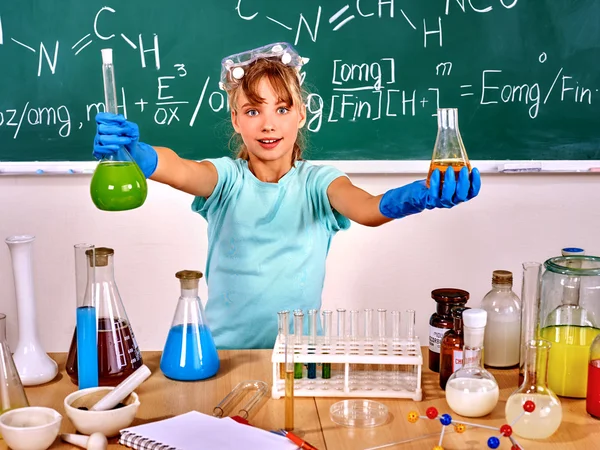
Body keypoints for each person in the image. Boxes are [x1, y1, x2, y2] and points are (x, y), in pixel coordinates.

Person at [93, 42, 481, 349]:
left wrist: (414, 197)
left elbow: (365, 208)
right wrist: (139, 154)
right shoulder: (227, 181)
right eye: (252, 111)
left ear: (301, 114)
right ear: (235, 119)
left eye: (282, 108)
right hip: (224, 354)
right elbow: (179, 168)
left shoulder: (318, 184)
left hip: (301, 357)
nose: (268, 124)